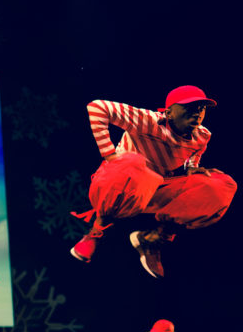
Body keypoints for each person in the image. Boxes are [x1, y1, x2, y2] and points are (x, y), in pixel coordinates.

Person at [71, 86, 236, 278]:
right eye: (190, 106)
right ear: (169, 113)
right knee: (133, 162)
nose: (198, 111)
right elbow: (97, 108)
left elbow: (195, 151)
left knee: (221, 185)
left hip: (154, 188)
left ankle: (153, 239)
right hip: (121, 183)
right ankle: (96, 231)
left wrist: (192, 166)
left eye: (201, 107)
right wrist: (109, 154)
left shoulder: (202, 135)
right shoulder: (148, 120)